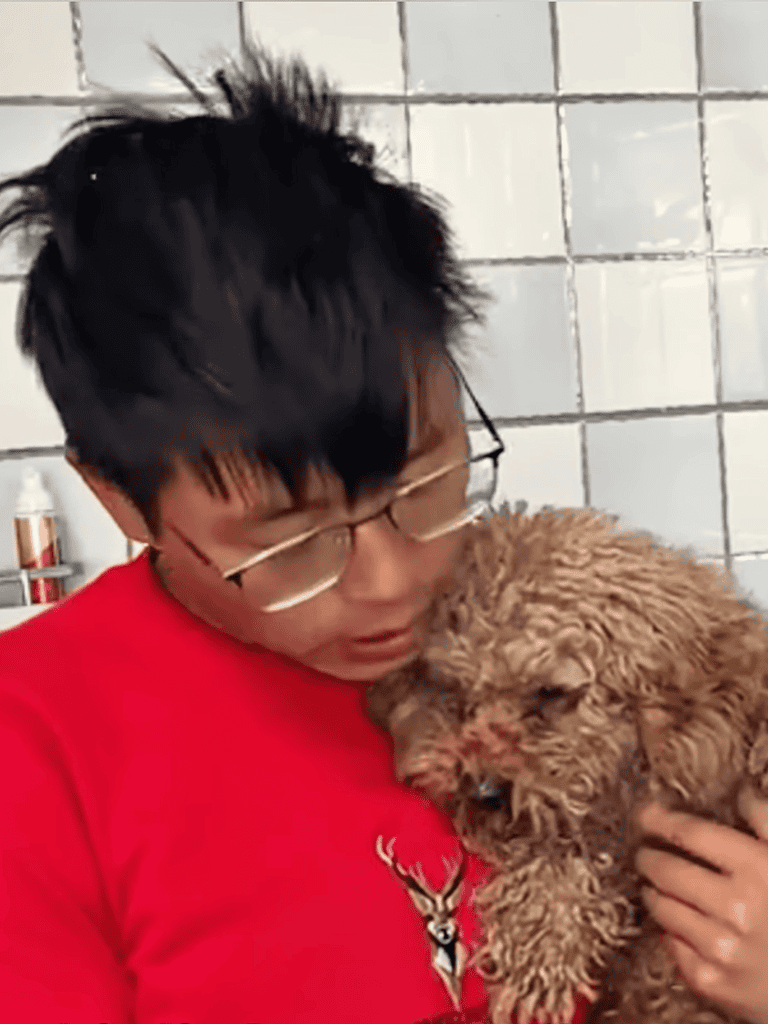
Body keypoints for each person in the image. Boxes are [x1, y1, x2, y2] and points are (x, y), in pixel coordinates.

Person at [0, 39, 766, 1024]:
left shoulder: (547, 630)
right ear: (118, 499)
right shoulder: (39, 752)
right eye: (289, 542)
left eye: (427, 481)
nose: (394, 579)